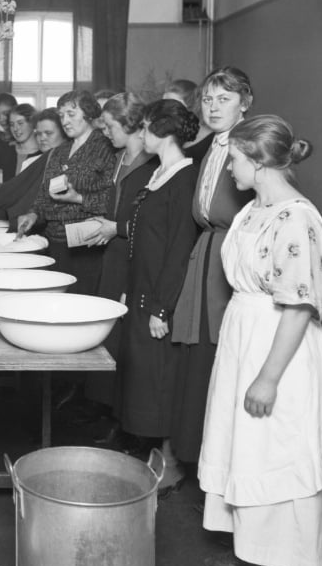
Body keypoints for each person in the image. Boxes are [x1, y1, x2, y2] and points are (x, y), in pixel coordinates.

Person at [199, 114, 322, 566]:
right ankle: (256, 551)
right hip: (246, 335)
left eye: (235, 160)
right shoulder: (252, 211)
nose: (229, 171)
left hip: (278, 347)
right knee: (248, 449)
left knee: (282, 455)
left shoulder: (297, 218)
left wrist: (267, 376)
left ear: (259, 162)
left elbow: (301, 304)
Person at [110, 100, 200, 492]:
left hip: (160, 294)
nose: (140, 136)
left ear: (163, 133)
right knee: (145, 376)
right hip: (142, 286)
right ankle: (155, 451)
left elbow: (178, 248)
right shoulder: (158, 174)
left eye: (145, 129)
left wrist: (161, 306)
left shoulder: (183, 178)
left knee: (162, 377)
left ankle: (171, 458)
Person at [169, 67, 255, 474]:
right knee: (197, 363)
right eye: (208, 99)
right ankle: (194, 459)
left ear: (245, 104)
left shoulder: (253, 146)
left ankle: (221, 468)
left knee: (223, 364)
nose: (214, 106)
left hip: (231, 260)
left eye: (225, 99)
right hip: (206, 254)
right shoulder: (211, 147)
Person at [81, 93, 157, 429]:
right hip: (112, 255)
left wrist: (117, 227)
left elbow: (154, 225)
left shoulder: (152, 165)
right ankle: (104, 406)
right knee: (107, 332)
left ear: (131, 125)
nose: (107, 133)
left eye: (111, 126)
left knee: (128, 337)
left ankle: (123, 418)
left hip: (134, 258)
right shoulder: (119, 158)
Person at [16, 90, 117, 296]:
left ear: (88, 114)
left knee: (82, 305)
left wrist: (78, 198)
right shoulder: (59, 151)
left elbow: (113, 200)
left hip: (87, 246)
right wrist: (33, 214)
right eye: (61, 115)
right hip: (54, 243)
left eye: (71, 114)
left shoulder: (106, 147)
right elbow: (44, 194)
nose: (65, 121)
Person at [0, 106, 64, 225]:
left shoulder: (62, 160)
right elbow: (13, 192)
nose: (43, 138)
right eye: (12, 124)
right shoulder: (16, 155)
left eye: (20, 123)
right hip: (18, 220)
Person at [164, 78, 214, 163]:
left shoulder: (212, 141)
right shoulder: (170, 135)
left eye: (171, 105)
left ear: (190, 106)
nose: (163, 110)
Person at [8, 103, 43, 175]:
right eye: (12, 124)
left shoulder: (42, 154)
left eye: (20, 123)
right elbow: (1, 184)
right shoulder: (7, 151)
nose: (15, 128)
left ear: (32, 123)